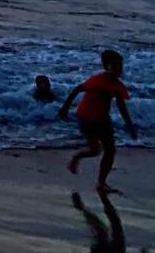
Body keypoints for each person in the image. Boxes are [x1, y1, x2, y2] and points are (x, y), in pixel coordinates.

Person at [59, 49, 138, 192]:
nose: (118, 69)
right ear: (106, 66)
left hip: (103, 119)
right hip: (86, 118)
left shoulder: (117, 85)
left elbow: (121, 107)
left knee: (110, 150)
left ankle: (101, 183)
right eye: (114, 66)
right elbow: (77, 89)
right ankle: (77, 157)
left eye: (120, 66)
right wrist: (65, 107)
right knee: (95, 150)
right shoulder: (96, 80)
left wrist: (130, 125)